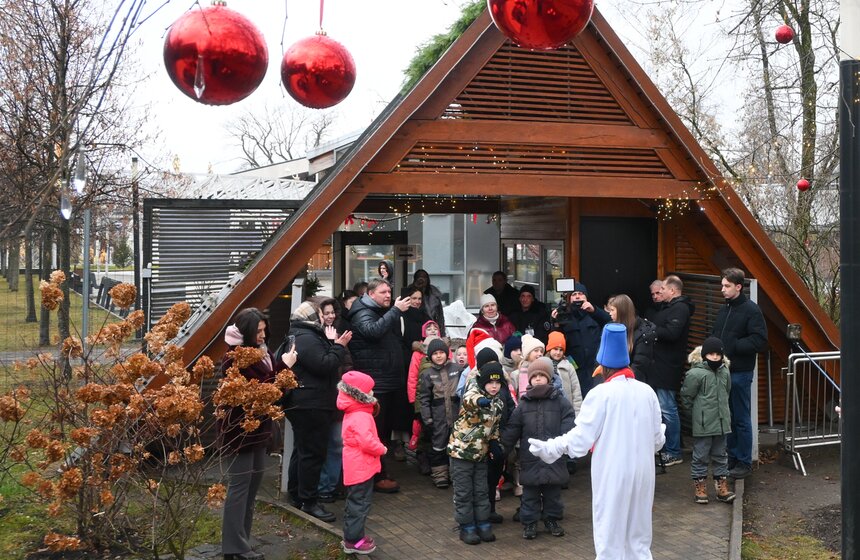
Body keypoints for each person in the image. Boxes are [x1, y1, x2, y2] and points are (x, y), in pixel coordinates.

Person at [527, 323, 666, 560]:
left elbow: (580, 441)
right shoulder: (647, 392)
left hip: (613, 474)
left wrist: (552, 447)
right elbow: (657, 440)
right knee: (639, 539)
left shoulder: (600, 394)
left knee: (609, 537)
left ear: (604, 368)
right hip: (643, 474)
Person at [218, 308, 297, 560]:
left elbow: (270, 388)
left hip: (259, 429)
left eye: (264, 330)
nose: (263, 335)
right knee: (240, 489)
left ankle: (242, 542)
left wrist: (282, 368)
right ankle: (234, 547)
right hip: (240, 431)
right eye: (258, 331)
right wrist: (284, 366)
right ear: (246, 332)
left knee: (251, 489)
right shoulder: (234, 357)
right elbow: (262, 390)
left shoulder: (262, 351)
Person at [284, 301, 352, 522]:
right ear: (312, 317)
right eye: (321, 315)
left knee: (302, 451)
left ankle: (297, 495)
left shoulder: (299, 335)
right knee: (312, 454)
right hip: (311, 404)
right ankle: (309, 502)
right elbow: (324, 365)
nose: (324, 319)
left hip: (305, 403)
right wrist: (339, 346)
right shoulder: (307, 338)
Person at [346, 278, 412, 493]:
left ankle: (379, 472)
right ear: (371, 294)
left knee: (384, 431)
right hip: (376, 384)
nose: (388, 295)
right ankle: (376, 476)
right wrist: (395, 310)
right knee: (376, 432)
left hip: (387, 381)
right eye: (383, 292)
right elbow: (373, 332)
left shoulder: (380, 311)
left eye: (389, 292)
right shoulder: (362, 313)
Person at [501, 358, 576, 539]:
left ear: (549, 378)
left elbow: (569, 424)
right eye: (534, 376)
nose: (538, 379)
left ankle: (552, 519)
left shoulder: (560, 402)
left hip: (554, 457)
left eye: (542, 375)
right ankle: (530, 523)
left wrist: (565, 444)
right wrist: (503, 448)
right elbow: (513, 428)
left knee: (553, 494)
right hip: (530, 459)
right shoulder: (524, 404)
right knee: (530, 495)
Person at [711, 267, 767, 479]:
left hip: (740, 372)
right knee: (729, 417)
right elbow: (717, 333)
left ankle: (744, 461)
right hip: (723, 370)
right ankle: (733, 457)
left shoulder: (751, 310)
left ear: (738, 287)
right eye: (722, 286)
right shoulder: (724, 309)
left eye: (726, 286)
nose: (722, 289)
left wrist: (732, 346)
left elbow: (759, 340)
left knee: (741, 418)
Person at [448, 361, 507, 545]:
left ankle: (483, 522)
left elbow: (494, 427)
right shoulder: (474, 393)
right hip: (461, 453)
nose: (494, 386)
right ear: (483, 383)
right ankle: (466, 526)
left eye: (497, 383)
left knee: (481, 491)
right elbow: (469, 399)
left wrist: (495, 443)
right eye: (490, 382)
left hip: (481, 454)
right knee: (464, 492)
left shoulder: (498, 404)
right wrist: (480, 401)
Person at [337, 370, 387, 556]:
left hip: (355, 464)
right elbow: (367, 442)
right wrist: (382, 449)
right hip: (361, 466)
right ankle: (354, 541)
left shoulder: (353, 410)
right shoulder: (361, 415)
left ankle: (351, 536)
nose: (373, 393)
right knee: (360, 503)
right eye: (370, 390)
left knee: (355, 501)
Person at [680, 337, 735, 504]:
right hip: (703, 424)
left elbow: (727, 392)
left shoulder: (725, 372)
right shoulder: (695, 374)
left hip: (721, 423)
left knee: (721, 455)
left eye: (718, 354)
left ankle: (721, 488)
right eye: (711, 354)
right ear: (704, 355)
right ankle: (700, 488)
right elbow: (687, 397)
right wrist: (696, 416)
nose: (715, 357)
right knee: (700, 456)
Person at [649, 275, 695, 467]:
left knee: (668, 408)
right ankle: (666, 449)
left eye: (663, 289)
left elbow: (672, 333)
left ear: (673, 291)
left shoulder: (680, 309)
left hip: (668, 365)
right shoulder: (669, 308)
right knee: (662, 408)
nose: (660, 292)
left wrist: (651, 329)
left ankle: (674, 452)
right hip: (660, 364)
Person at [316, 297, 353, 504]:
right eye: (326, 313)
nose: (330, 316)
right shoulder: (314, 337)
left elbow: (347, 364)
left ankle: (332, 485)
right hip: (321, 398)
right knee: (322, 444)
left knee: (337, 443)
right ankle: (322, 487)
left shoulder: (340, 336)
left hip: (339, 397)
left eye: (332, 312)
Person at [552, 282, 611, 398]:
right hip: (574, 369)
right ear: (569, 299)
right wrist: (555, 322)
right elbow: (557, 339)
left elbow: (610, 322)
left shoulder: (594, 314)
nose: (577, 296)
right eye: (574, 294)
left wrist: (594, 310)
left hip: (594, 368)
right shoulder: (565, 316)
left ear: (586, 297)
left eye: (580, 294)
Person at [418, 338, 462, 489]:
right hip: (438, 417)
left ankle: (456, 475)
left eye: (441, 352)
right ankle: (440, 475)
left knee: (457, 446)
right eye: (435, 353)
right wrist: (427, 419)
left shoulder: (457, 369)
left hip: (457, 416)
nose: (438, 356)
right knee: (438, 447)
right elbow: (424, 398)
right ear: (430, 356)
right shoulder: (427, 374)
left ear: (447, 353)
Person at [606, 294, 656, 384]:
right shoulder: (611, 328)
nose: (610, 313)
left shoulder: (643, 333)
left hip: (631, 383)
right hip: (613, 381)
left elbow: (639, 365)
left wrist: (624, 383)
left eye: (612, 310)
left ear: (621, 311)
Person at [546, 331, 582, 416]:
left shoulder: (569, 366)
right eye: (555, 349)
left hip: (567, 410)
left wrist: (577, 413)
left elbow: (576, 391)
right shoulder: (544, 365)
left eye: (561, 350)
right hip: (549, 411)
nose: (558, 353)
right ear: (549, 349)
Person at [413, 269, 445, 333]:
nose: (422, 280)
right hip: (415, 330)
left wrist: (441, 333)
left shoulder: (434, 295)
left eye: (424, 277)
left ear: (428, 279)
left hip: (432, 330)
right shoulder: (410, 293)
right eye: (419, 277)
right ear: (415, 279)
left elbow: (440, 317)